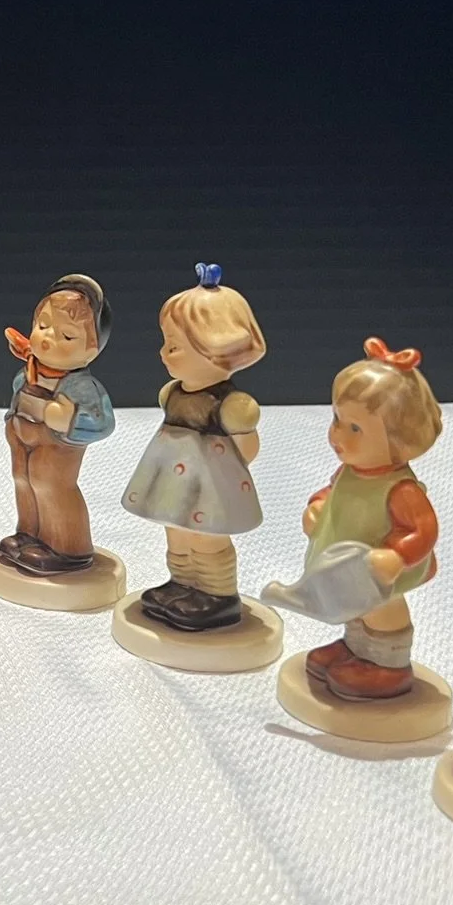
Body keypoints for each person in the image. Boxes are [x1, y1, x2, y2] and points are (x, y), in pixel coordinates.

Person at [120, 262, 267, 630]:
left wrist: (228, 467)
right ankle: (181, 584)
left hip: (209, 488)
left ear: (215, 350)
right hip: (172, 484)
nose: (163, 353)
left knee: (207, 540)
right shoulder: (171, 393)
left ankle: (217, 594)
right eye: (166, 343)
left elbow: (247, 451)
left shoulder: (231, 405)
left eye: (174, 346)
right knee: (176, 534)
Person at [296, 339, 443, 699]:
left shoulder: (400, 490)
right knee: (355, 608)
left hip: (380, 571)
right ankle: (356, 648)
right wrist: (318, 505)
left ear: (399, 439)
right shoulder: (350, 472)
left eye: (355, 428)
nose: (337, 434)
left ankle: (389, 663)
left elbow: (423, 529)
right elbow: (334, 493)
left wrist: (397, 555)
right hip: (349, 566)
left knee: (381, 609)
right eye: (337, 419)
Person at [0, 275, 114, 576]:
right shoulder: (28, 372)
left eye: (67, 336)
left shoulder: (81, 387)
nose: (48, 338)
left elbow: (102, 422)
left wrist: (66, 418)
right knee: (23, 481)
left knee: (50, 485)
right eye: (43, 325)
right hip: (23, 439)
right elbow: (19, 397)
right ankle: (29, 534)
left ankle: (67, 547)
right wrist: (13, 423)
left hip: (57, 446)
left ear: (92, 349)